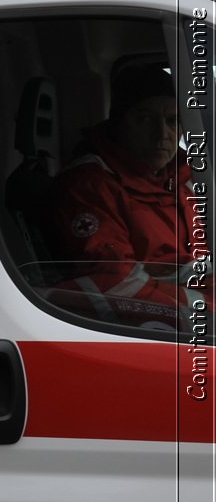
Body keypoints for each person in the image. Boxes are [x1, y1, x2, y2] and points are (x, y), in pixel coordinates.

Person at [48, 59, 204, 319]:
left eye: (172, 120)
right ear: (119, 123)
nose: (161, 134)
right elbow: (114, 282)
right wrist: (204, 306)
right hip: (147, 326)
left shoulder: (183, 176)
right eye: (144, 119)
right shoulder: (90, 185)